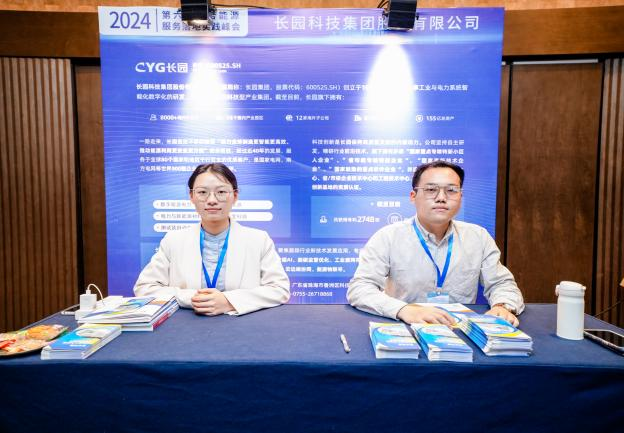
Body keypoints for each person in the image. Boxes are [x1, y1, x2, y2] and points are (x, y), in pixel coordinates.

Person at [347, 160, 524, 326]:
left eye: (451, 190)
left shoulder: (478, 237)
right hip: (405, 327)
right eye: (431, 189)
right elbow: (360, 288)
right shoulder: (388, 237)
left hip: (459, 329)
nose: (441, 198)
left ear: (460, 196)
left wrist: (502, 306)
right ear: (413, 196)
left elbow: (501, 283)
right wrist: (403, 310)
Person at [134, 163, 290, 315]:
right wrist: (192, 298)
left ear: (235, 196)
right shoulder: (174, 240)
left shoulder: (259, 240)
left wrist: (228, 301)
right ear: (191, 196)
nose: (212, 200)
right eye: (202, 192)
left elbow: (279, 289)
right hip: (185, 326)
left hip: (245, 326)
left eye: (221, 192)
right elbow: (145, 287)